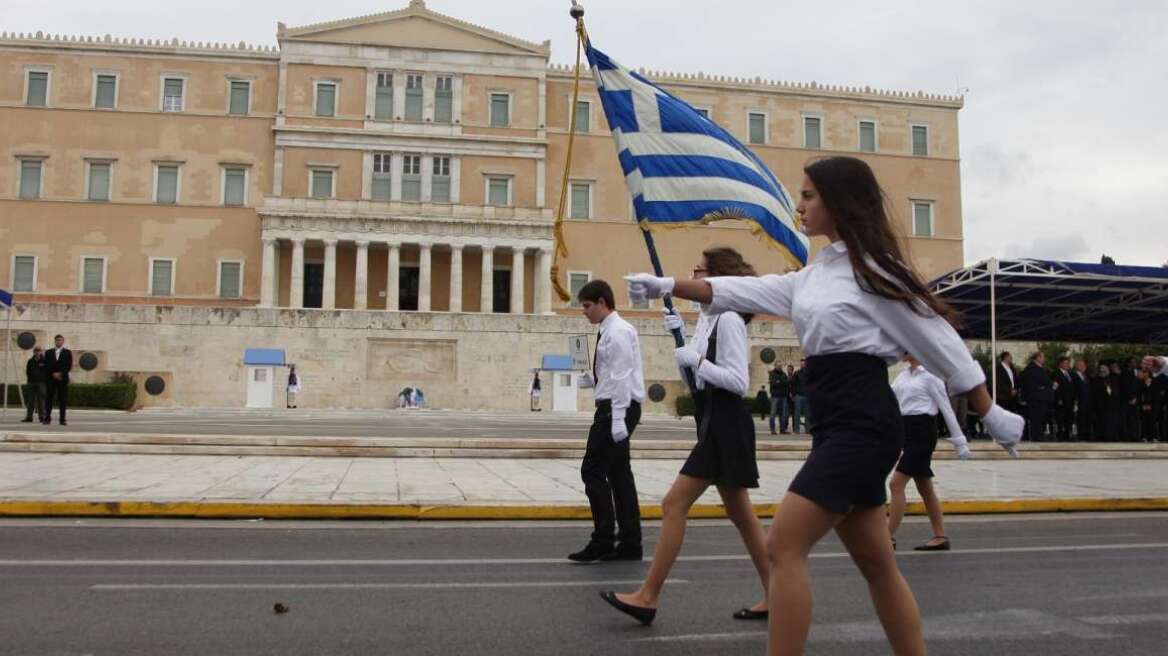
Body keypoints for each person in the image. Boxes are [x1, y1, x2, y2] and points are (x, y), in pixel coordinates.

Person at [625, 156, 1023, 656]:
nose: (799, 206)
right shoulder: (816, 274)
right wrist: (670, 286)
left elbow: (937, 339)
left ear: (840, 202)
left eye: (809, 195)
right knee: (877, 565)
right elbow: (747, 288)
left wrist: (989, 410)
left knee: (784, 546)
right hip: (834, 423)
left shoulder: (875, 273)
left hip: (864, 423)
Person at [600, 247, 770, 625]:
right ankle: (778, 592)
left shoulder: (727, 319)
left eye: (700, 270)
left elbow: (738, 381)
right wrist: (682, 342)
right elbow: (697, 384)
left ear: (718, 278)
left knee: (673, 505)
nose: (692, 274)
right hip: (712, 420)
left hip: (725, 424)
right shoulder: (708, 319)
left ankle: (648, 596)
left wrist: (698, 361)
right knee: (742, 516)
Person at [568, 279, 645, 563]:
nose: (584, 311)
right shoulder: (609, 330)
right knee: (619, 475)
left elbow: (623, 375)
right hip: (615, 404)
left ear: (602, 302)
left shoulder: (618, 332)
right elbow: (613, 372)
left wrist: (617, 418)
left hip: (617, 407)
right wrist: (594, 381)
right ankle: (629, 543)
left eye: (587, 306)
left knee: (592, 471)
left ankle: (603, 540)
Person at [887, 355, 971, 553]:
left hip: (923, 432)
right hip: (906, 431)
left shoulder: (931, 376)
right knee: (925, 488)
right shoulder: (902, 376)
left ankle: (886, 537)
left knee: (895, 483)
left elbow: (947, 409)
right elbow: (890, 402)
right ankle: (940, 536)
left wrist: (960, 442)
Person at [1020, 352, 1053, 441]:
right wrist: (1046, 386)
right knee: (1036, 419)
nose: (1044, 359)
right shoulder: (1031, 369)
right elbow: (1032, 384)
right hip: (1036, 399)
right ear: (1037, 358)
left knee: (1041, 419)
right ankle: (1036, 437)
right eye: (1043, 357)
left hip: (1042, 398)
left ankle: (1039, 435)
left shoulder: (1041, 369)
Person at [44, 334, 72, 426]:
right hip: (51, 379)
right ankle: (47, 418)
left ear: (63, 341)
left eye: (60, 340)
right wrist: (53, 373)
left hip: (63, 379)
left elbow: (68, 366)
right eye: (57, 340)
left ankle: (62, 419)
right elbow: (46, 365)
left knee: (62, 400)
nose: (59, 342)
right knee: (49, 399)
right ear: (55, 341)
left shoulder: (68, 352)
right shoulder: (48, 352)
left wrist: (60, 373)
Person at [22, 346, 49, 423]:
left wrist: (42, 378)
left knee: (41, 401)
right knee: (30, 401)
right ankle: (29, 417)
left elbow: (46, 372)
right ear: (34, 352)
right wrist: (31, 378)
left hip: (41, 383)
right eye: (36, 351)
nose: (37, 352)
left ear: (41, 352)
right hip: (31, 383)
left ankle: (42, 417)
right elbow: (28, 372)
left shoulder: (44, 361)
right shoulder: (30, 361)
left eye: (39, 351)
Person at [1052, 356, 1075, 441]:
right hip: (1061, 401)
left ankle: (1068, 434)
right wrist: (1058, 399)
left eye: (1068, 363)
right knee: (1061, 419)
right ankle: (1060, 435)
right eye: (1065, 363)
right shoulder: (1056, 373)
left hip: (1070, 401)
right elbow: (1055, 388)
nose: (1067, 365)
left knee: (1069, 419)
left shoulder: (1070, 374)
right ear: (1060, 364)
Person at [1121, 357, 1142, 441]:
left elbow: (1138, 386)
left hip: (1135, 399)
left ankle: (1135, 435)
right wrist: (1131, 397)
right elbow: (1125, 386)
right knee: (1128, 419)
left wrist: (1136, 397)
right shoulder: (1124, 373)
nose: (1134, 364)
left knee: (1135, 419)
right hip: (1127, 400)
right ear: (1128, 363)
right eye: (1132, 362)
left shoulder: (1136, 372)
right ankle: (1128, 436)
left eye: (1135, 362)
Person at [768, 362, 791, 434]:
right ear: (775, 366)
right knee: (773, 414)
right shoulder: (772, 374)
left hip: (783, 396)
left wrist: (779, 381)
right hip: (775, 396)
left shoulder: (784, 374)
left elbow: (786, 383)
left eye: (781, 365)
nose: (780, 367)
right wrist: (781, 382)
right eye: (778, 365)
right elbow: (773, 383)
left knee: (783, 415)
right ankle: (772, 430)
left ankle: (782, 429)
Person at [1073, 358, 1093, 440]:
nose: (1083, 367)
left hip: (1088, 402)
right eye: (1081, 365)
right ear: (1077, 366)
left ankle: (1087, 435)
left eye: (1084, 365)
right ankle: (1081, 436)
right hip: (1079, 401)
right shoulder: (1073, 375)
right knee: (1081, 419)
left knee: (1087, 419)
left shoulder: (1087, 376)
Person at [790, 359, 808, 433]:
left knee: (808, 414)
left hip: (807, 396)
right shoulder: (797, 373)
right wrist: (794, 395)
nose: (802, 365)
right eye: (801, 364)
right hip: (798, 396)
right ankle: (796, 429)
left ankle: (808, 429)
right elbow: (792, 384)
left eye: (804, 364)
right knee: (797, 414)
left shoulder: (809, 373)